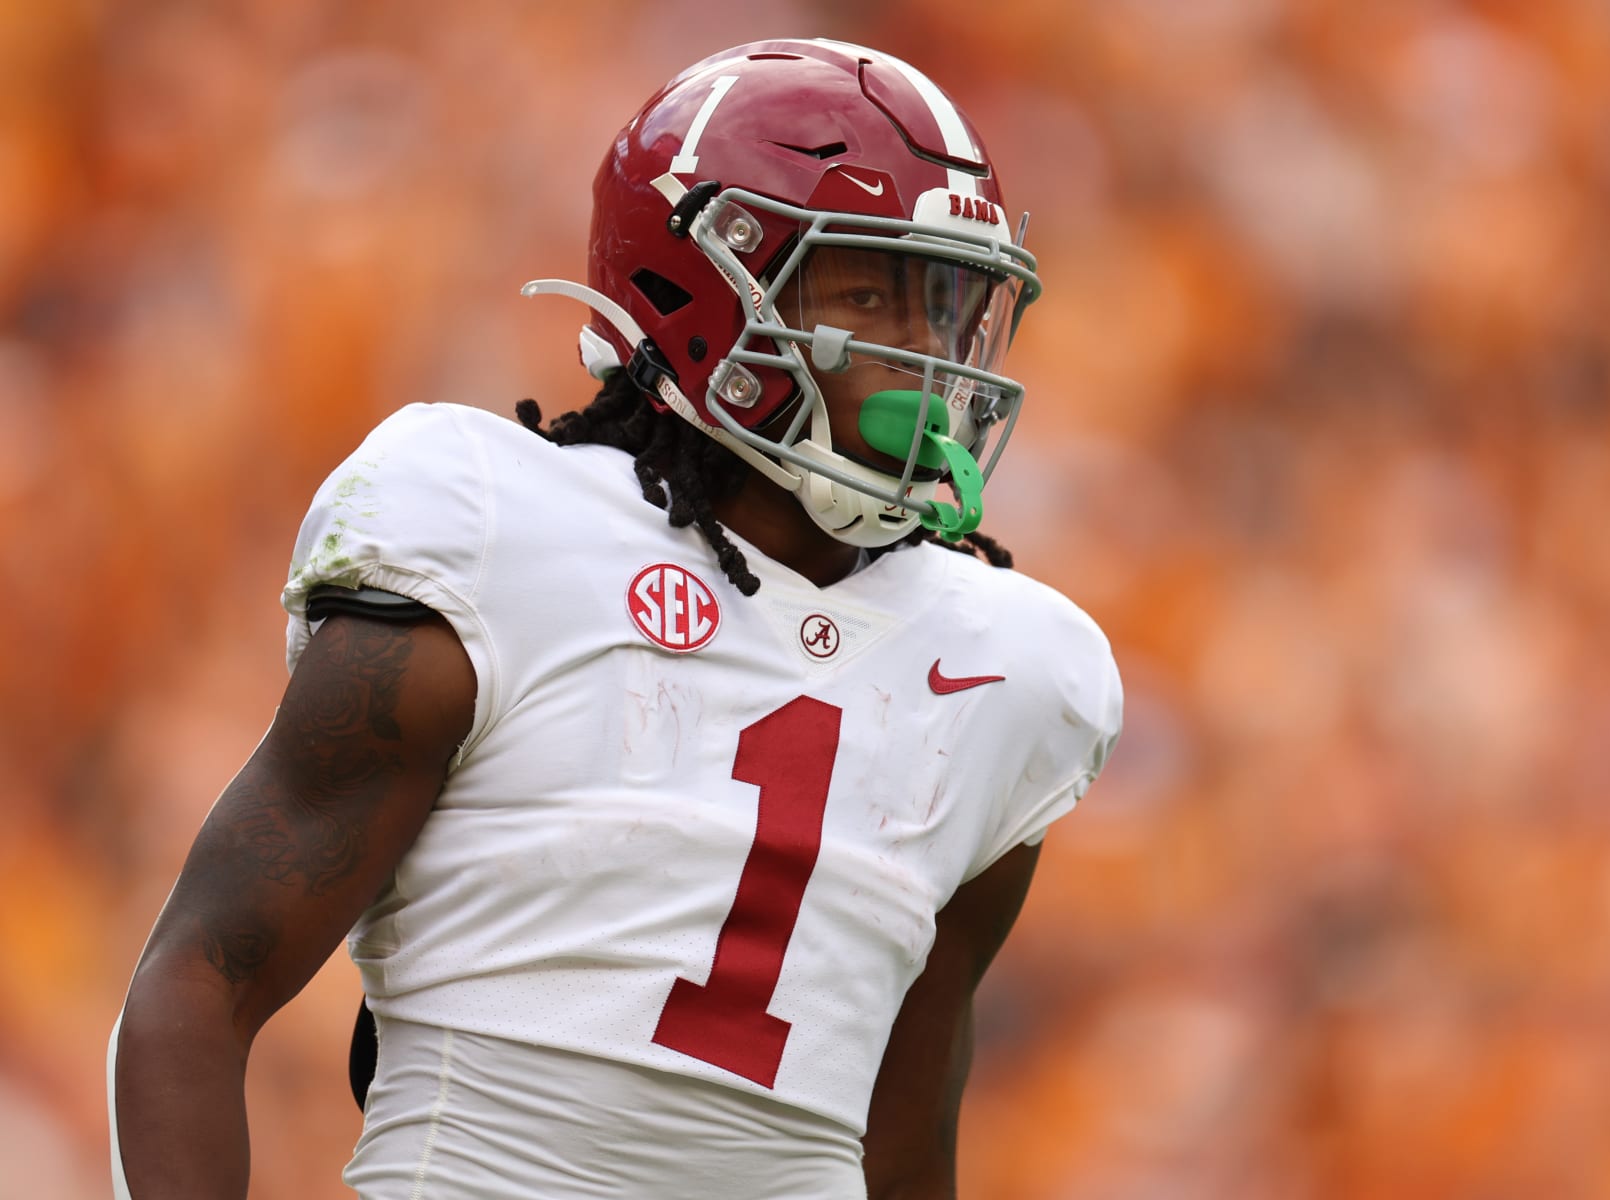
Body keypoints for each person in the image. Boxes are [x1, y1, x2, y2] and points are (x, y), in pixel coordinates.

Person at [109, 36, 1122, 1200]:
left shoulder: (1012, 668)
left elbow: (902, 1133)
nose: (924, 355)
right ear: (695, 287)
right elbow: (199, 978)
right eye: (866, 290)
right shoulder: (501, 533)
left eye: (943, 302)